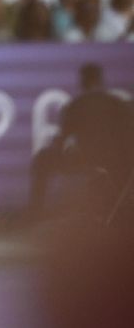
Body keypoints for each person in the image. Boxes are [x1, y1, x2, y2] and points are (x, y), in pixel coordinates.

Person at [30, 63, 134, 214]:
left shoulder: (75, 106)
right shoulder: (117, 103)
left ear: (82, 81)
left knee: (42, 158)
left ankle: (35, 211)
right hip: (118, 160)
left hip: (87, 159)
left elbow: (62, 140)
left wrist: (62, 148)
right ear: (100, 80)